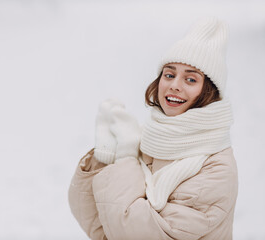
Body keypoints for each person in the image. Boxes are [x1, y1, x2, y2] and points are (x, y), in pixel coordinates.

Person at [68, 18, 238, 240]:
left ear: (208, 92)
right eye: (169, 74)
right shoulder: (151, 141)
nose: (175, 84)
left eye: (190, 79)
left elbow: (137, 233)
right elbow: (102, 228)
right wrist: (104, 158)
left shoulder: (216, 168)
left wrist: (125, 160)